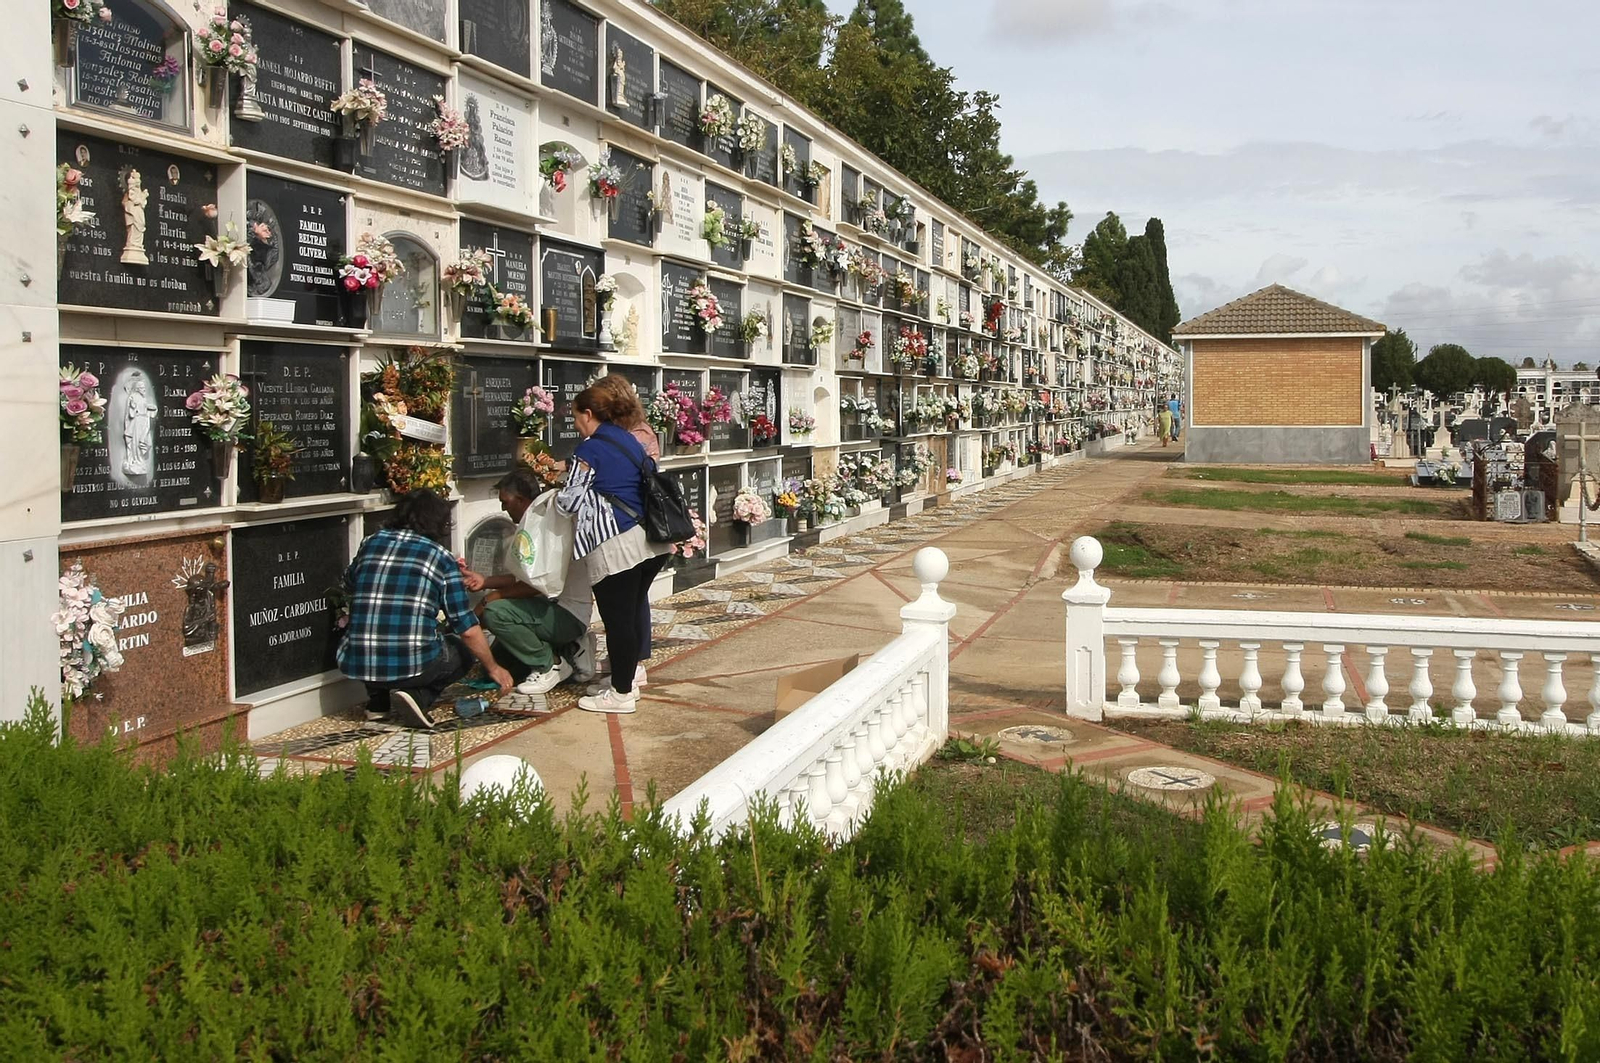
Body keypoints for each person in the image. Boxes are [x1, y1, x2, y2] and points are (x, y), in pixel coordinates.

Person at [338, 488, 512, 729]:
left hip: (357, 661)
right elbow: (467, 628)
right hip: (412, 664)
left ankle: (377, 704)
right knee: (462, 651)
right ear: (438, 522)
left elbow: (348, 583)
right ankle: (418, 698)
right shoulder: (440, 557)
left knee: (377, 627)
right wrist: (493, 668)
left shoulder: (371, 542)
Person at [556, 382, 671, 714]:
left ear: (589, 414)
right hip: (650, 543)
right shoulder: (627, 438)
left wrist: (555, 495)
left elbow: (571, 500)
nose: (575, 424)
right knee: (632, 615)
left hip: (616, 544)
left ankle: (620, 695)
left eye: (576, 417)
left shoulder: (589, 449)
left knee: (618, 621)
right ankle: (627, 681)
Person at [460, 467, 592, 695]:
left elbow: (535, 584)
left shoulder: (547, 525)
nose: (503, 508)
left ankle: (551, 665)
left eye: (506, 502)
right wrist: (485, 581)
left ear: (521, 500)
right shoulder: (537, 521)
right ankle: (568, 649)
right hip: (547, 607)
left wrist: (491, 598)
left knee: (496, 613)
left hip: (567, 613)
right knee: (502, 662)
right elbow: (525, 576)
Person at [583, 374, 667, 689]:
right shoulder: (616, 435)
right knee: (626, 609)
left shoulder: (634, 434)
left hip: (632, 531)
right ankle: (625, 666)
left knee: (628, 609)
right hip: (633, 530)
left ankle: (631, 670)